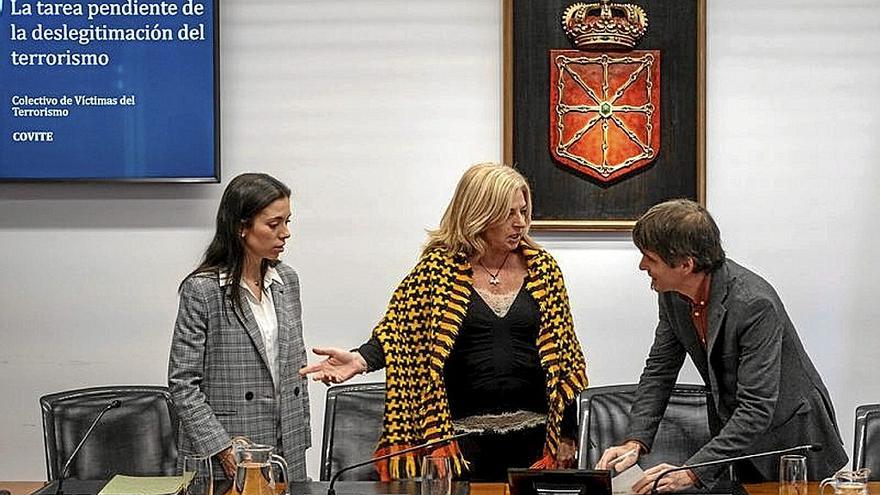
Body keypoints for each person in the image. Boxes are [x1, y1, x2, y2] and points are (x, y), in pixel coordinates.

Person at [299, 163, 588, 481]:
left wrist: (567, 434)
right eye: (508, 214)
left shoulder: (543, 270)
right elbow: (400, 332)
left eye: (523, 211)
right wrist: (359, 360)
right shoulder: (438, 270)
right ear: (479, 213)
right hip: (461, 448)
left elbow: (566, 360)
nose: (520, 223)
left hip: (535, 444)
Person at [596, 199, 847, 493]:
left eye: (649, 258)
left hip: (793, 443)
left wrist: (691, 472)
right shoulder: (672, 294)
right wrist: (635, 441)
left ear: (685, 264)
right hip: (742, 444)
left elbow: (756, 408)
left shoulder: (754, 303)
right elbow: (659, 372)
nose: (642, 266)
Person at [168, 173, 311, 480]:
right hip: (229, 452)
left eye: (287, 221)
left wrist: (300, 435)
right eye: (273, 224)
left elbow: (292, 366)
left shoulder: (287, 280)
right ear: (241, 227)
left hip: (287, 446)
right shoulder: (203, 290)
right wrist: (222, 448)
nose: (285, 233)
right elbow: (183, 383)